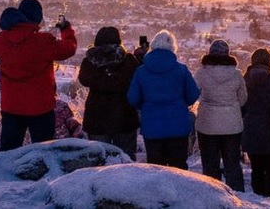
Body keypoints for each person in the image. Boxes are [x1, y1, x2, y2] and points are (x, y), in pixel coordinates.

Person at [0, 0, 77, 151]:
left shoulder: (0, 40)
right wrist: (66, 30)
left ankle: (3, 173)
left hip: (11, 105)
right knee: (43, 151)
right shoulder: (42, 41)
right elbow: (69, 48)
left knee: (8, 151)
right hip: (40, 107)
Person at [127, 29, 200, 169]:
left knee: (155, 169)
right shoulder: (181, 70)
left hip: (152, 126)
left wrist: (145, 106)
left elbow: (132, 97)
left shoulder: (141, 71)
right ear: (173, 47)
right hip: (178, 125)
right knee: (178, 168)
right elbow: (192, 95)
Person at [78, 26, 140, 159]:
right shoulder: (128, 61)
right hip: (124, 118)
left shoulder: (89, 62)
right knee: (126, 160)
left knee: (99, 160)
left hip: (97, 119)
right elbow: (137, 78)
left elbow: (83, 79)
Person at [194, 39, 247, 191]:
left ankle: (212, 196)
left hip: (207, 125)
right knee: (232, 165)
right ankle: (237, 196)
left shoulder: (202, 73)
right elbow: (243, 99)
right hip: (231, 126)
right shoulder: (237, 74)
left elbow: (193, 94)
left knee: (210, 165)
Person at [242, 47, 270, 198]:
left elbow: (241, 105)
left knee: (256, 169)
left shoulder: (245, 80)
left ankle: (257, 200)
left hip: (251, 128)